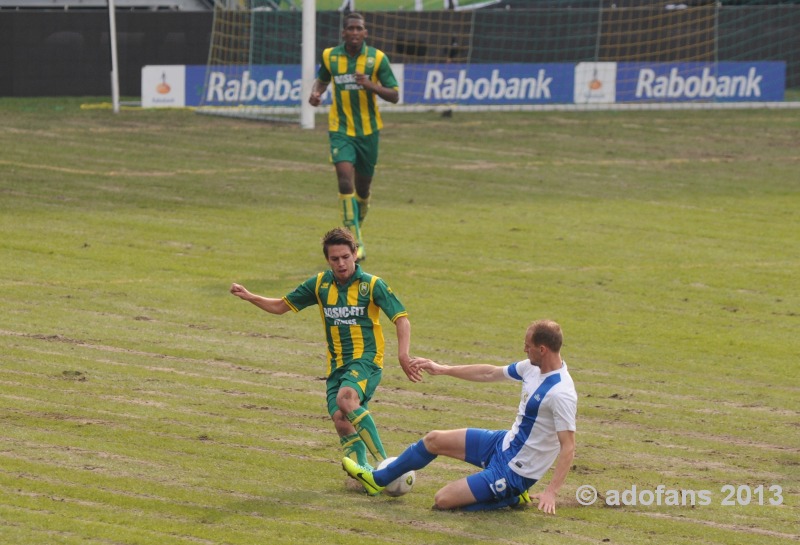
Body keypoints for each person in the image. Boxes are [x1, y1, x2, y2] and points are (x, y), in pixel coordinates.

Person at [230, 227, 421, 482]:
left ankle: (385, 466)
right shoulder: (319, 284)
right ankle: (365, 477)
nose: (341, 263)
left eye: (345, 256)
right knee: (341, 420)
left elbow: (402, 320)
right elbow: (280, 306)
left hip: (367, 361)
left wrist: (403, 355)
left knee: (346, 398)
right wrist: (249, 296)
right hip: (336, 367)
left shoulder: (372, 285)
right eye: (335, 259)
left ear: (355, 253)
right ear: (327, 260)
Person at [343, 320, 577, 513]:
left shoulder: (561, 393)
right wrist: (442, 368)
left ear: (542, 349)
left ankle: (511, 497)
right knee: (433, 439)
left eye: (528, 346)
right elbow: (490, 373)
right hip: (502, 443)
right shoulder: (532, 367)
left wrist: (551, 492)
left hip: (515, 471)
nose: (524, 350)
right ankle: (376, 480)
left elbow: (568, 447)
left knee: (443, 500)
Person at [308, 12, 400, 262]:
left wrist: (370, 85)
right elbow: (322, 81)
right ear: (344, 32)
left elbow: (394, 95)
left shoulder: (377, 58)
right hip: (340, 129)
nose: (355, 32)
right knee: (344, 181)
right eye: (351, 28)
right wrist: (315, 94)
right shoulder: (330, 56)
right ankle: (355, 245)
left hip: (369, 132)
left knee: (363, 188)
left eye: (359, 28)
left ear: (365, 33)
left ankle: (354, 226)